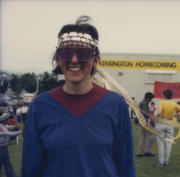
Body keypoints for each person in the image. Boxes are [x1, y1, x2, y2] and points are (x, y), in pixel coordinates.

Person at [21, 16, 135, 177]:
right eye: (66, 53)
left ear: (96, 60)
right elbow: (30, 168)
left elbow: (126, 167)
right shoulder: (40, 105)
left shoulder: (115, 104)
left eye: (83, 53)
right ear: (59, 59)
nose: (74, 60)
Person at [156, 89, 180, 166]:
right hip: (170, 123)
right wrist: (174, 115)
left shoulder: (161, 102)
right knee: (169, 142)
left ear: (164, 95)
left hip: (162, 122)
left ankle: (161, 161)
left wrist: (157, 116)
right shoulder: (174, 103)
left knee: (160, 143)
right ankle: (166, 161)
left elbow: (159, 112)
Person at [0, 112, 21, 177]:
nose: (9, 120)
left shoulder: (4, 125)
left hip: (4, 148)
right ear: (4, 120)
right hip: (1, 149)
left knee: (7, 165)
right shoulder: (0, 127)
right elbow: (9, 133)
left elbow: (10, 127)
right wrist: (21, 132)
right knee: (6, 164)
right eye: (8, 119)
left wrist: (16, 126)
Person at [136, 92, 155, 157]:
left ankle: (140, 152)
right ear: (148, 98)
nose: (151, 100)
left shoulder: (142, 102)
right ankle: (148, 151)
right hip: (144, 122)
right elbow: (145, 113)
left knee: (143, 137)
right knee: (151, 135)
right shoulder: (145, 103)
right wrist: (151, 120)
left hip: (141, 121)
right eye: (151, 98)